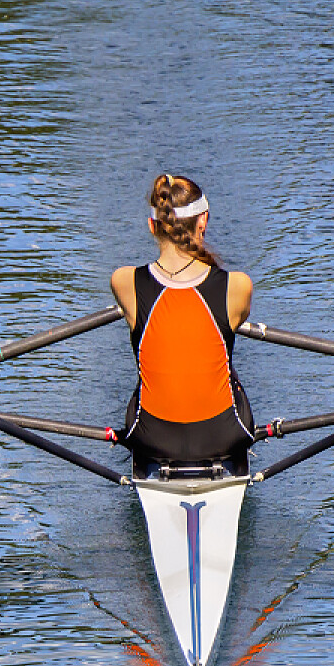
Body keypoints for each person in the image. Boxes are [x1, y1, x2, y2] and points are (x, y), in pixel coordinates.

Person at [111, 173, 257, 475]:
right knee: (227, 368)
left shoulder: (123, 281)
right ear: (202, 222)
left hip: (152, 439)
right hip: (222, 437)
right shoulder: (238, 286)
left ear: (152, 226)